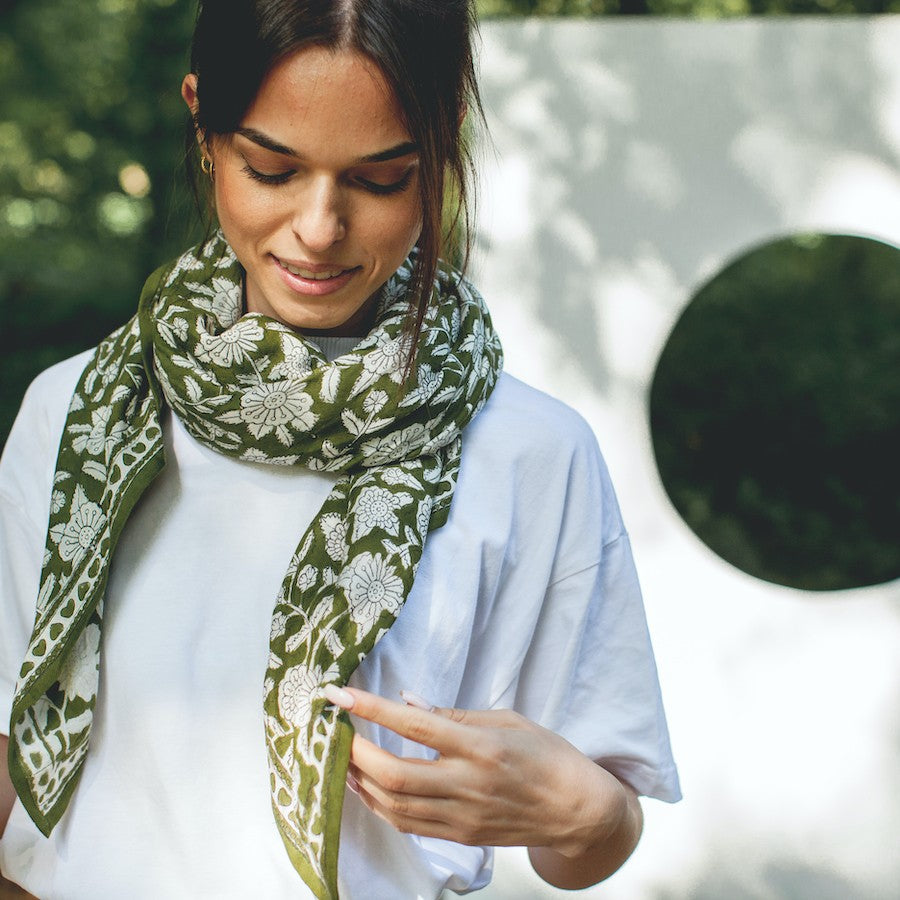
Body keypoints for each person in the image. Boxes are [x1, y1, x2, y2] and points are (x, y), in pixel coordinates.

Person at [0, 2, 680, 897]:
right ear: (203, 124)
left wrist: (583, 811)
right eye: (272, 169)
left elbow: (588, 841)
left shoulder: (532, 455)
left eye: (382, 180)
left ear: (440, 153)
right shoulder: (75, 416)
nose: (319, 227)